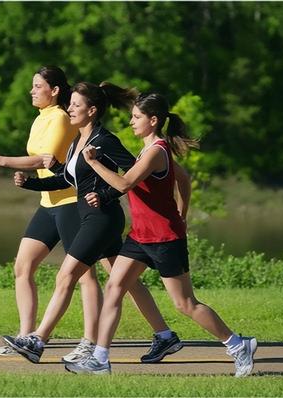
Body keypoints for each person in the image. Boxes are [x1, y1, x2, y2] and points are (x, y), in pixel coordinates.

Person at [64, 92, 257, 377]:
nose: (131, 122)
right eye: (132, 116)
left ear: (153, 121)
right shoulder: (147, 150)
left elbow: (125, 182)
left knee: (185, 304)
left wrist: (93, 163)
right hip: (140, 236)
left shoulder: (156, 151)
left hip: (165, 238)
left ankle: (238, 344)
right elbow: (183, 179)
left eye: (137, 117)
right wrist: (183, 210)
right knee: (115, 288)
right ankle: (100, 359)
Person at [3, 82, 184, 364]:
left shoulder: (105, 141)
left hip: (102, 219)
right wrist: (29, 183)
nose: (70, 108)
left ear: (92, 110)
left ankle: (38, 340)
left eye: (75, 105)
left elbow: (131, 176)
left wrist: (106, 194)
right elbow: (69, 179)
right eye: (70, 104)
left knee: (66, 275)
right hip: (91, 216)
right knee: (126, 281)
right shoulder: (79, 140)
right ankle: (164, 335)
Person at [0, 66, 103, 361]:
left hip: (70, 203)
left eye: (38, 86)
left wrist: (2, 160)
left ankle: (90, 341)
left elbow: (46, 158)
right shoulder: (41, 119)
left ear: (55, 90)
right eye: (32, 86)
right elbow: (42, 160)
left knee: (84, 275)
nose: (32, 91)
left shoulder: (61, 117)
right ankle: (25, 336)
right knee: (23, 267)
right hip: (48, 203)